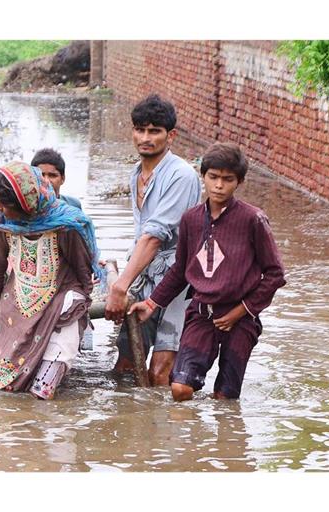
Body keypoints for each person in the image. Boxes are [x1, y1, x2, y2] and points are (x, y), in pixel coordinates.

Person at [129, 143, 286, 401]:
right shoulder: (191, 219)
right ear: (203, 177)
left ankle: (224, 442)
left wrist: (240, 311)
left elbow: (274, 274)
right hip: (202, 313)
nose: (219, 185)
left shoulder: (253, 219)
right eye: (213, 177)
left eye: (228, 179)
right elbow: (181, 270)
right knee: (180, 388)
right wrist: (152, 303)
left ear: (239, 182)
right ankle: (191, 440)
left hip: (241, 316)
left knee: (226, 398)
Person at [0, 161, 103, 400]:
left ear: (26, 205)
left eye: (6, 204)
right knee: (4, 387)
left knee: (43, 391)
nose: (0, 208)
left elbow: (82, 274)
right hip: (17, 306)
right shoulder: (0, 222)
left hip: (61, 305)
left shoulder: (67, 225)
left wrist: (79, 312)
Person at [104, 94, 202, 386]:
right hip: (144, 275)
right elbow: (141, 237)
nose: (145, 138)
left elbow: (154, 237)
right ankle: (132, 426)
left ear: (170, 136)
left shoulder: (181, 175)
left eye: (154, 131)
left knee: (161, 370)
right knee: (124, 363)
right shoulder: (136, 173)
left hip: (178, 279)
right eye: (140, 129)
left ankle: (163, 428)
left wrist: (120, 285)